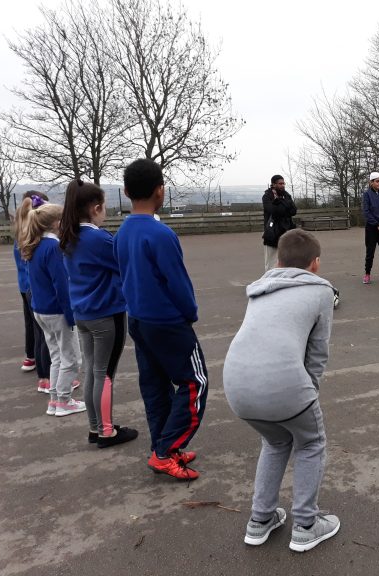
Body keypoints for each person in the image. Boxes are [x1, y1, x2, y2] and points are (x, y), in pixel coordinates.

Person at [224, 229, 340, 552]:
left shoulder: (260, 289)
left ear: (278, 260)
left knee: (275, 441)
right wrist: (308, 392)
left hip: (236, 384)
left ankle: (260, 520)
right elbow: (317, 353)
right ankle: (305, 524)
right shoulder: (321, 293)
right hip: (283, 383)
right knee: (312, 442)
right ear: (315, 264)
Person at [114, 159, 208, 480]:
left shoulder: (122, 231)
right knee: (195, 383)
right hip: (167, 322)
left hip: (138, 320)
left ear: (126, 192)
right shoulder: (161, 234)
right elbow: (177, 283)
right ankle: (165, 451)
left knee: (155, 386)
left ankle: (164, 446)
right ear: (160, 191)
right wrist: (190, 314)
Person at [60, 179, 138, 448]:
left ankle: (96, 427)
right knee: (104, 374)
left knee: (93, 370)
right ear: (95, 208)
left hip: (83, 313)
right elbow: (125, 263)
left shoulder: (69, 235)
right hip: (106, 312)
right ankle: (107, 431)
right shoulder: (98, 238)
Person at [20, 202, 85, 416]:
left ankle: (56, 400)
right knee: (72, 358)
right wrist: (71, 316)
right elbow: (61, 286)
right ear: (57, 223)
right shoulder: (54, 248)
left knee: (57, 356)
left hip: (41, 310)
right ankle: (64, 400)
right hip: (56, 311)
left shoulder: (35, 246)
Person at [14, 191, 52, 391]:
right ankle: (45, 375)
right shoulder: (36, 239)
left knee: (33, 326)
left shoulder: (22, 233)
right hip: (35, 288)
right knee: (43, 333)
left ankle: (32, 359)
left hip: (25, 286)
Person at [262, 175, 297, 272]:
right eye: (280, 184)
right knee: (271, 261)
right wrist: (285, 205)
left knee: (288, 259)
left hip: (286, 231)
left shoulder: (286, 195)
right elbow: (273, 211)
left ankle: (286, 280)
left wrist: (280, 202)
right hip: (272, 232)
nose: (282, 185)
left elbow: (293, 211)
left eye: (283, 183)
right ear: (273, 184)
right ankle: (270, 282)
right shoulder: (267, 196)